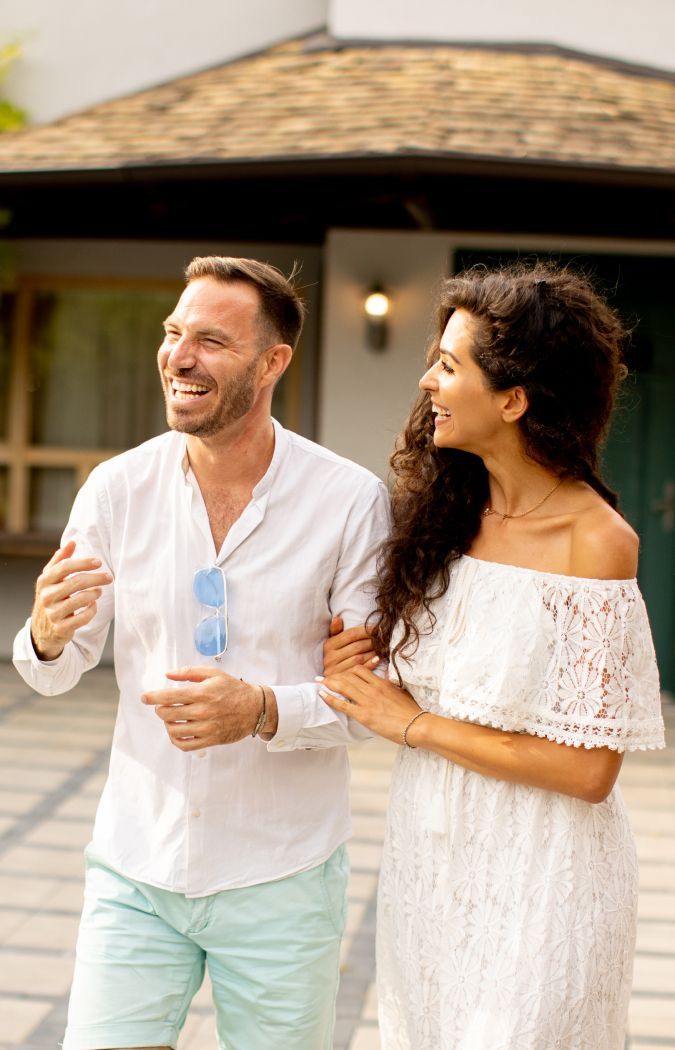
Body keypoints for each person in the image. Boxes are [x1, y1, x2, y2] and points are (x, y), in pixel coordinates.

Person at [13, 256, 390, 1050]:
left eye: (211, 340)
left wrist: (259, 710)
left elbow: (372, 700)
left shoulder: (348, 501)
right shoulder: (116, 490)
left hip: (281, 872)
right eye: (173, 333)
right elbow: (58, 665)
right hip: (135, 865)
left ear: (273, 361)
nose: (179, 357)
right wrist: (45, 633)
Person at [318, 262, 665, 1050]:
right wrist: (357, 661)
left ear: (512, 400)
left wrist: (411, 726)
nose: (426, 380)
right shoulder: (441, 516)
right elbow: (423, 683)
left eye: (448, 365)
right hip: (429, 860)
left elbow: (588, 771)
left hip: (545, 874)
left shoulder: (596, 542)